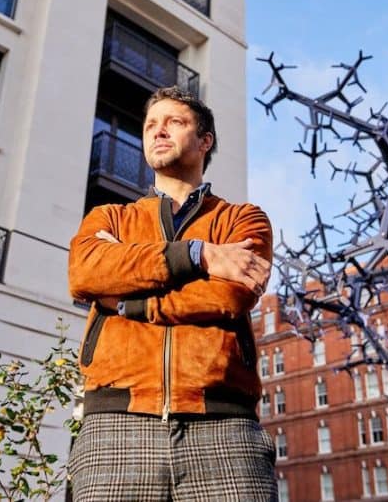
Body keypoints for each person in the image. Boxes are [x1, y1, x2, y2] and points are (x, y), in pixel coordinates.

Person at [67, 86, 276, 501]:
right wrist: (198, 254)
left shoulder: (243, 219)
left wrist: (128, 302)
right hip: (116, 427)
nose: (157, 132)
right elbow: (87, 271)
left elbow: (229, 296)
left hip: (224, 431)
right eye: (150, 125)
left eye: (174, 122)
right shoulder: (110, 217)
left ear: (205, 141)